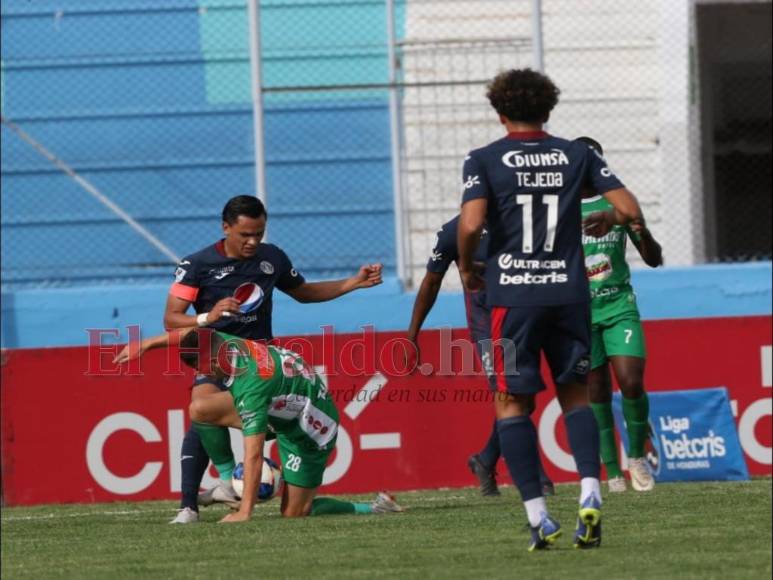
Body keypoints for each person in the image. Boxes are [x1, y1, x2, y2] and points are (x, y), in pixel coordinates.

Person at [457, 69, 646, 550]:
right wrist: (609, 214)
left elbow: (472, 223)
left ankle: (539, 516)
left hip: (514, 298)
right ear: (549, 110)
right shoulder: (577, 154)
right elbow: (630, 207)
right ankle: (590, 491)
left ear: (500, 113)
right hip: (569, 294)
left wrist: (466, 266)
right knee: (576, 397)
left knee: (511, 404)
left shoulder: (483, 159)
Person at [165, 195, 383, 523]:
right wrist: (208, 316)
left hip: (262, 367)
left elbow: (304, 292)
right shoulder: (196, 265)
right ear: (226, 228)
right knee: (201, 406)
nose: (253, 241)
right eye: (245, 235)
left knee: (293, 510)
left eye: (259, 233)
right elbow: (171, 319)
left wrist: (353, 283)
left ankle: (240, 489)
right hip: (219, 357)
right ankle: (199, 499)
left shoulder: (272, 258)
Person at [114, 329, 403, 521]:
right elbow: (190, 336)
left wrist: (245, 511)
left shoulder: (251, 386)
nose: (203, 373)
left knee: (294, 514)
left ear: (209, 363)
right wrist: (147, 344)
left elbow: (252, 455)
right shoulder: (225, 342)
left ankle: (374, 507)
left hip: (310, 431)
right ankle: (229, 483)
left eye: (202, 367)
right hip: (286, 406)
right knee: (200, 409)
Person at [406, 215, 554, 497]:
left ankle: (485, 459)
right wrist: (412, 336)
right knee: (511, 397)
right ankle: (536, 474)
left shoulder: (520, 220)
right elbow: (431, 281)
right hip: (487, 327)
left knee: (526, 399)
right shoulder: (454, 231)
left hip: (521, 321)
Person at [576, 136, 663, 493]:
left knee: (630, 380)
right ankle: (612, 473)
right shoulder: (559, 209)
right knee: (595, 391)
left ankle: (637, 457)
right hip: (580, 314)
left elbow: (654, 257)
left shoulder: (618, 204)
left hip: (618, 307)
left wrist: (641, 233)